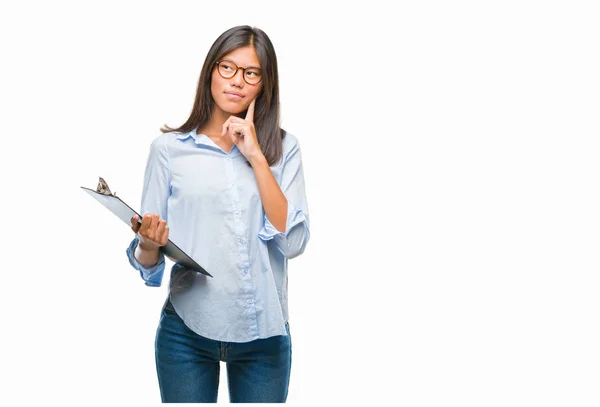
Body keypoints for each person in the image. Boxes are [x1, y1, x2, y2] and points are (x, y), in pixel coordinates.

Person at [125, 25, 310, 403]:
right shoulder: (168, 150)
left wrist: (257, 156)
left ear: (264, 84)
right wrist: (148, 243)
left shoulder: (284, 149)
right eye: (227, 67)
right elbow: (148, 259)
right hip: (186, 333)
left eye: (251, 73)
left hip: (264, 337)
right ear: (210, 70)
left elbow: (291, 242)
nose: (237, 81)